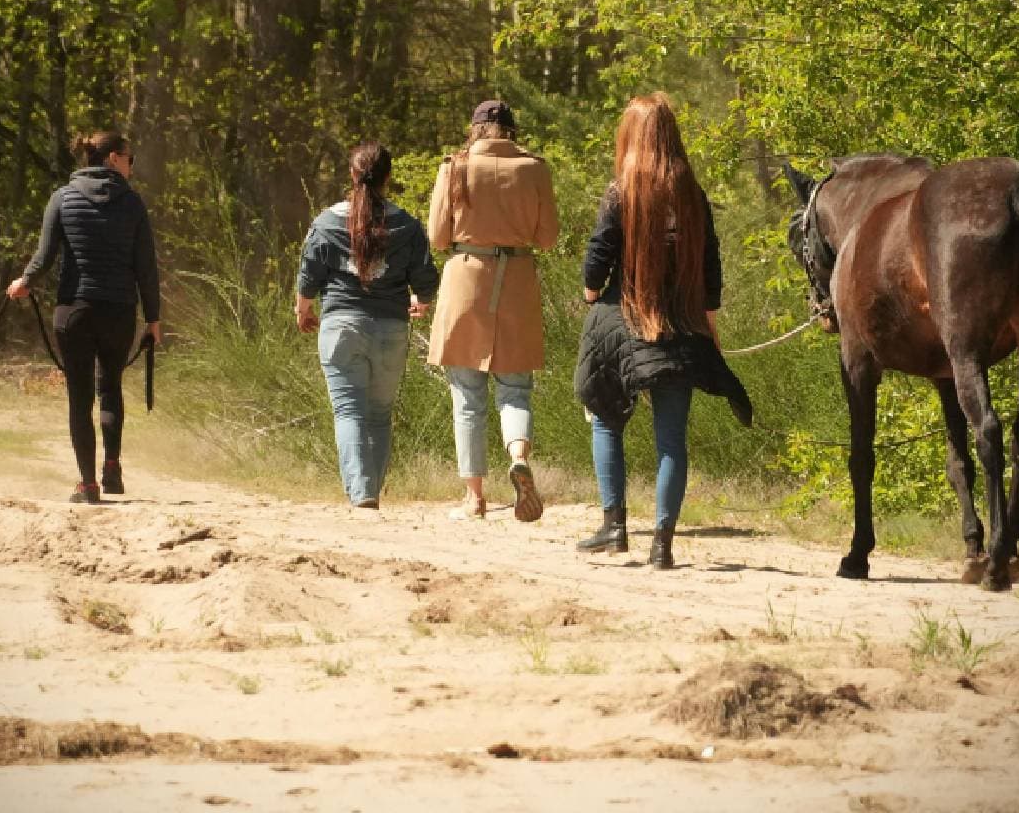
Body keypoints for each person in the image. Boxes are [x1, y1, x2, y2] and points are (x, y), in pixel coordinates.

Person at [573, 93, 751, 566]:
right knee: (672, 439)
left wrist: (592, 296)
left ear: (631, 137)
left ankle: (614, 527)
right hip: (683, 326)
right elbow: (711, 266)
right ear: (671, 135)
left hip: (625, 322)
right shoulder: (693, 196)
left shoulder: (622, 192)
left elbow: (597, 260)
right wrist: (709, 325)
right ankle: (662, 545)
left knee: (607, 418)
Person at [6, 130, 161, 504]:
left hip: (74, 311)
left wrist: (23, 282)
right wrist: (153, 320)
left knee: (79, 396)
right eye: (129, 158)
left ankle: (88, 484)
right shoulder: (133, 204)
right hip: (119, 312)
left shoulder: (62, 199)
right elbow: (146, 269)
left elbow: (44, 257)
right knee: (109, 386)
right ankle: (112, 466)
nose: (132, 165)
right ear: (112, 159)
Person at [427, 99, 559, 521]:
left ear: (475, 128)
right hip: (517, 277)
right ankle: (518, 455)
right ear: (511, 130)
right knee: (515, 388)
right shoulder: (534, 168)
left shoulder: (455, 166)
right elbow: (548, 238)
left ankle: (475, 497)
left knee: (467, 394)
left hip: (467, 277)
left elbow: (438, 237)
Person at [296, 142, 438, 510]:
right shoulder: (406, 224)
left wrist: (303, 310)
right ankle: (369, 491)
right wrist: (420, 302)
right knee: (378, 415)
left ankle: (362, 494)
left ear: (352, 174)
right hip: (390, 328)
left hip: (341, 326)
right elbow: (425, 280)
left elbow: (308, 275)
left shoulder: (326, 222)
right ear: (388, 177)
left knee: (348, 411)